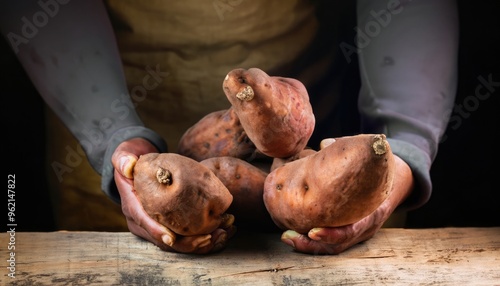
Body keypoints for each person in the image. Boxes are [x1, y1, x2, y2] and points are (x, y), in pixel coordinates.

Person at [1, 0, 458, 254]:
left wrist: (405, 145)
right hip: (108, 128)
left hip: (322, 163)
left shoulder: (317, 155)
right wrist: (113, 140)